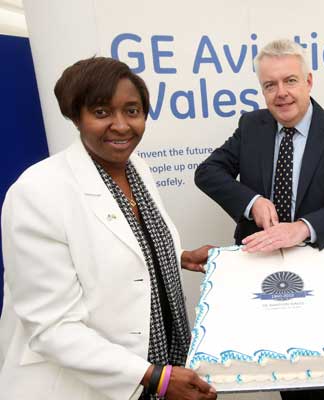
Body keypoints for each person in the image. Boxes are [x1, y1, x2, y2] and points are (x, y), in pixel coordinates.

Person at [0, 57, 217, 400]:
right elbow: (52, 327)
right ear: (76, 116)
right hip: (84, 386)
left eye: (132, 111)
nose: (121, 125)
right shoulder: (38, 192)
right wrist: (155, 378)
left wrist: (179, 256)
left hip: (162, 367)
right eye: (101, 112)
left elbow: (126, 245)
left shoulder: (138, 170)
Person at [195, 39, 324, 399]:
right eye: (270, 85)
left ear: (309, 81)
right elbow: (208, 172)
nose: (281, 93)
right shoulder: (252, 125)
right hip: (264, 275)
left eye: (290, 81)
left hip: (322, 273)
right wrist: (251, 201)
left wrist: (303, 229)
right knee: (283, 375)